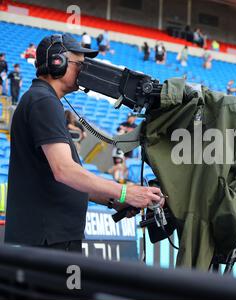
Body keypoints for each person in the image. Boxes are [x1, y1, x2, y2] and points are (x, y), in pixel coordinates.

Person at [5, 34, 163, 253]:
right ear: (57, 62)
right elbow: (64, 171)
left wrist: (113, 200)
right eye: (79, 64)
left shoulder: (43, 100)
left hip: (51, 236)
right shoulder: (43, 101)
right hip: (48, 239)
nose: (83, 71)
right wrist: (125, 192)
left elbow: (62, 179)